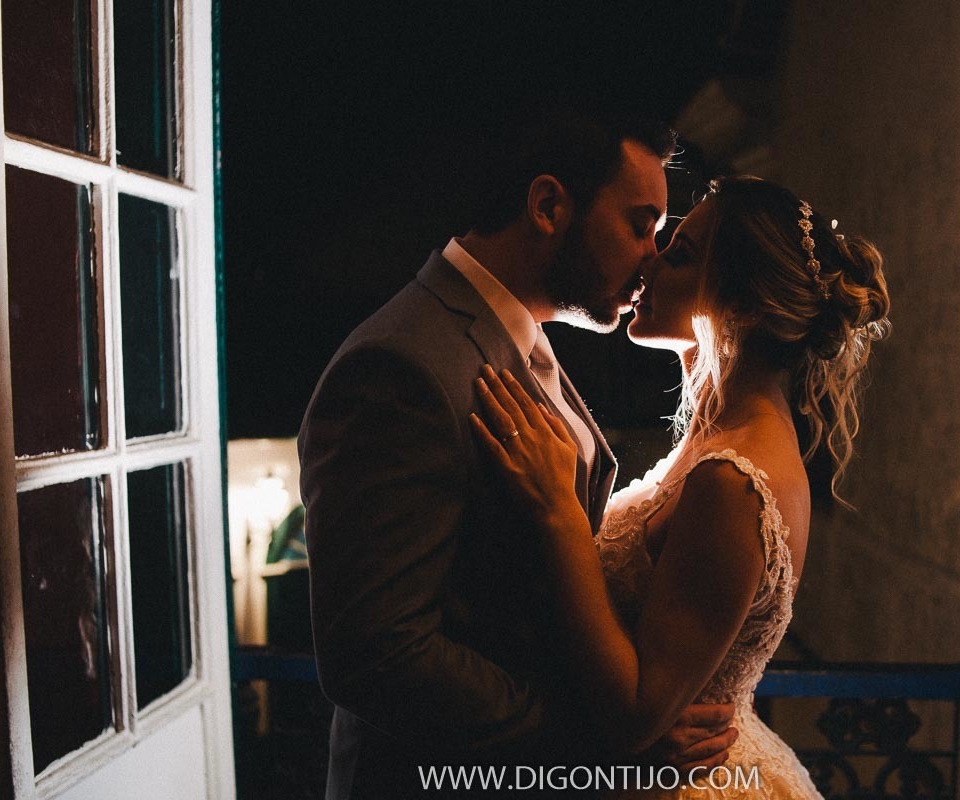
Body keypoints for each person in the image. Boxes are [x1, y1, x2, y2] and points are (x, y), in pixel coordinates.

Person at [297, 107, 739, 800]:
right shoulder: (401, 366)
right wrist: (597, 738)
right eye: (639, 224)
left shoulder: (514, 335)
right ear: (548, 206)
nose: (652, 254)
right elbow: (377, 656)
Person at [471, 175, 891, 799]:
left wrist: (559, 509)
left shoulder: (733, 480)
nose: (649, 262)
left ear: (744, 307)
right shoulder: (721, 434)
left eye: (681, 255)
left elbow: (636, 714)